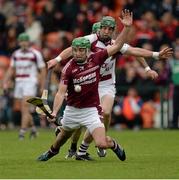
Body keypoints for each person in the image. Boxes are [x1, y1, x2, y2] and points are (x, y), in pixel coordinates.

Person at [37, 9, 133, 161]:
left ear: (87, 50)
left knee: (101, 143)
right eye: (75, 50)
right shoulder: (68, 68)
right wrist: (55, 111)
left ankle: (113, 144)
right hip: (72, 110)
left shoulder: (97, 58)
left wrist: (126, 28)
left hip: (91, 111)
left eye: (81, 50)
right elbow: (60, 93)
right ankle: (52, 152)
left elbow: (117, 46)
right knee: (61, 139)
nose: (77, 53)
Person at [3, 33, 46, 139]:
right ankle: (33, 130)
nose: (23, 43)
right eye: (21, 41)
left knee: (25, 106)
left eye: (25, 41)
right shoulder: (15, 54)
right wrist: (5, 82)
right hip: (19, 82)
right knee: (24, 109)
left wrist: (42, 85)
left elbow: (43, 69)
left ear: (28, 42)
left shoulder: (35, 54)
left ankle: (22, 132)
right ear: (19, 42)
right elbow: (11, 69)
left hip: (30, 82)